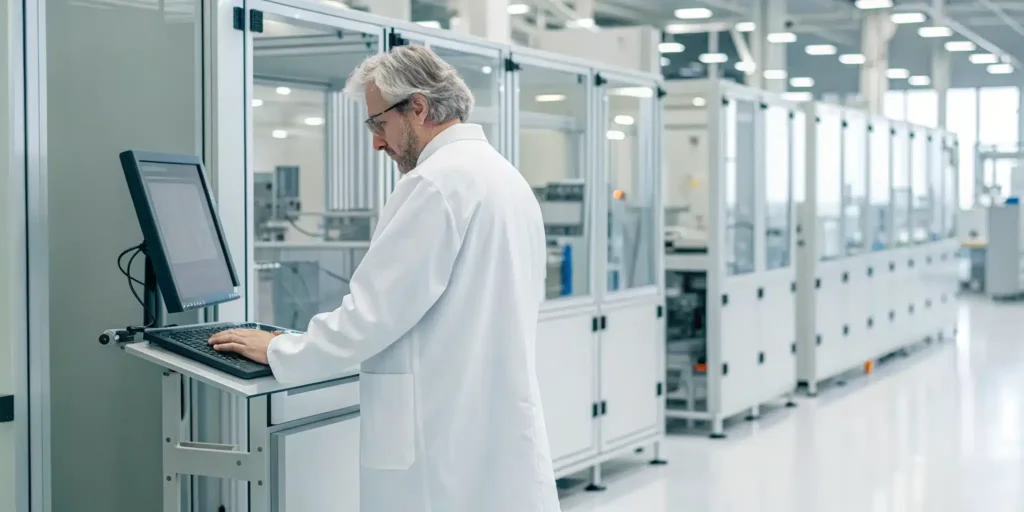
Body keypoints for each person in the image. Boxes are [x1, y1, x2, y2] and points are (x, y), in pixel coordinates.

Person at [208, 45, 562, 512]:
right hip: (488, 421)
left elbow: (372, 316)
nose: (377, 142)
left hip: (439, 434)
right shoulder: (503, 177)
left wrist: (280, 349)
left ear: (417, 107)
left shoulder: (435, 182)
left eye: (379, 124)